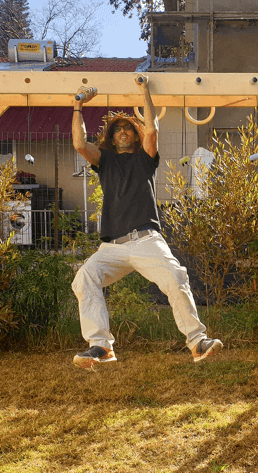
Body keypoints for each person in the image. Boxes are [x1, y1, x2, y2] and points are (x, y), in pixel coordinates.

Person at [69, 75, 223, 370]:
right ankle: (101, 347)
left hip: (146, 240)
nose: (124, 132)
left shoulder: (145, 158)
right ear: (112, 138)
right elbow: (78, 143)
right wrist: (77, 105)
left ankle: (197, 342)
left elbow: (152, 129)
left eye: (129, 128)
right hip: (111, 247)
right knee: (84, 278)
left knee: (175, 278)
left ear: (135, 136)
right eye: (119, 130)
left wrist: (146, 91)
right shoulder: (104, 160)